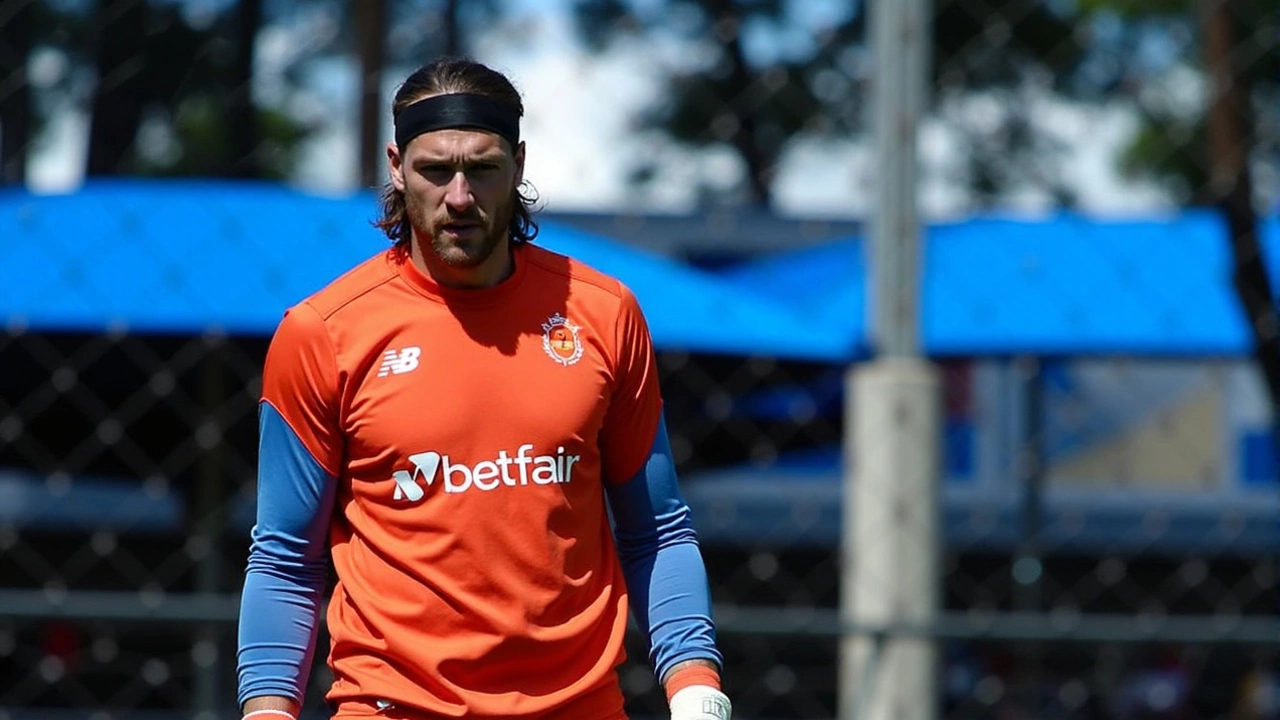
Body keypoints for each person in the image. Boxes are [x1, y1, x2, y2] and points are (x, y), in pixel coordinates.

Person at [235, 56, 732, 720]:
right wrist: (267, 710)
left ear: (519, 166)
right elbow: (287, 560)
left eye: (484, 169)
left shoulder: (605, 314)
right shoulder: (323, 333)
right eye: (435, 170)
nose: (460, 197)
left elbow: (658, 531)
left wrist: (696, 685)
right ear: (396, 166)